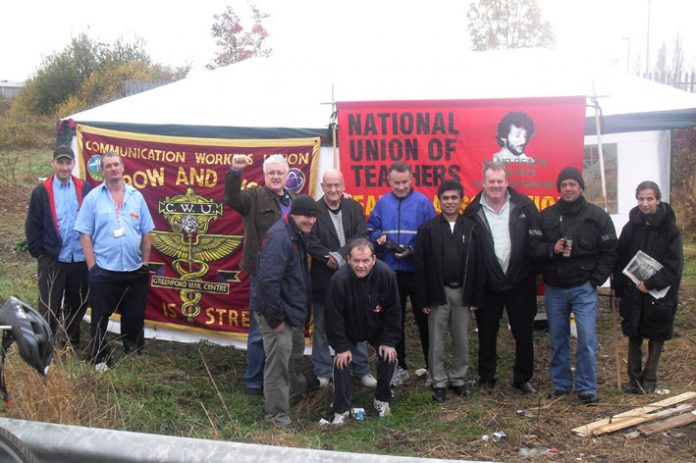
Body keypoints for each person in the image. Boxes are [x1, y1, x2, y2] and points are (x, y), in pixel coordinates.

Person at [529, 166, 617, 404]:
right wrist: (551, 248)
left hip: (583, 288)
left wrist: (595, 280)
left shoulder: (597, 216)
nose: (568, 188)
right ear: (559, 189)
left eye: (572, 184)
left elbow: (610, 252)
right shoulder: (545, 216)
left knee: (587, 339)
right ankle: (561, 385)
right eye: (564, 184)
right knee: (558, 338)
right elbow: (532, 248)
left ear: (580, 187)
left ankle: (587, 388)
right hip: (554, 288)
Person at [463, 162, 541, 394]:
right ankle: (487, 377)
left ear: (506, 182)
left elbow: (535, 242)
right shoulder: (472, 211)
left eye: (499, 181)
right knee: (486, 333)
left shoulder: (525, 206)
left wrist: (534, 273)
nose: (495, 185)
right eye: (491, 182)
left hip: (520, 282)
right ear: (483, 183)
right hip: (488, 284)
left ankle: (522, 378)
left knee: (524, 332)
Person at [75, 152, 154, 371]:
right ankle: (100, 356)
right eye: (107, 165)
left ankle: (133, 352)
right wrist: (93, 268)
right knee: (100, 315)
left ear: (122, 167)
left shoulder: (136, 196)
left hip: (134, 268)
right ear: (102, 170)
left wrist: (145, 264)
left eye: (116, 164)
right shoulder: (93, 198)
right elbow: (84, 234)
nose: (112, 169)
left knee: (135, 315)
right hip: (104, 269)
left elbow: (147, 232)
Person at [224, 153, 293, 396]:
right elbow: (232, 197)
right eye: (271, 172)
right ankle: (253, 381)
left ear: (287, 176)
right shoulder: (253, 197)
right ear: (264, 176)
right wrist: (235, 172)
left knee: (284, 328)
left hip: (288, 276)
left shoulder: (293, 201)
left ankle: (277, 378)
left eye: (280, 172)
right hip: (262, 277)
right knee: (258, 330)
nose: (275, 176)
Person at [413, 179, 484, 402]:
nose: (450, 202)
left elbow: (479, 264)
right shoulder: (428, 229)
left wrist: (475, 295)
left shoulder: (472, 228)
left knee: (462, 338)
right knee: (436, 339)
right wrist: (423, 297)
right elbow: (420, 266)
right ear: (439, 201)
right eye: (446, 198)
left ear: (461, 200)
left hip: (463, 293)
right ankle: (438, 381)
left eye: (454, 198)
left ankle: (458, 379)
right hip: (438, 293)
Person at [367, 161, 436, 385]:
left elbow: (432, 236)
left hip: (416, 271)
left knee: (424, 319)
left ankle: (432, 368)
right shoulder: (382, 203)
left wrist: (412, 250)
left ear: (411, 179)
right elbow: (372, 230)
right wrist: (379, 239)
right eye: (396, 183)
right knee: (393, 321)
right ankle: (399, 367)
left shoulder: (423, 203)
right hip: (389, 271)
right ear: (389, 181)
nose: (400, 186)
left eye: (404, 182)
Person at [306, 169, 376, 389]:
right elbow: (309, 240)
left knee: (358, 324)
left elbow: (361, 233)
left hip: (355, 279)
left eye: (337, 185)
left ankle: (361, 369)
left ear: (343, 185)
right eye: (329, 185)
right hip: (324, 280)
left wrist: (340, 255)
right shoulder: (313, 210)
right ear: (323, 187)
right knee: (322, 327)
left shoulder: (354, 207)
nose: (334, 190)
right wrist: (329, 257)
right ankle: (323, 372)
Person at [612, 181, 683, 394]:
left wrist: (650, 283)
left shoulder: (670, 228)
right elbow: (620, 257)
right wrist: (619, 288)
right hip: (633, 290)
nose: (645, 203)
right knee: (634, 333)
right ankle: (633, 379)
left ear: (658, 200)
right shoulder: (630, 226)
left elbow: (675, 264)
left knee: (657, 335)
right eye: (641, 199)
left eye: (649, 199)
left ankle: (650, 380)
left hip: (660, 292)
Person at [254, 195, 318, 429]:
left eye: (313, 216)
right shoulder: (280, 237)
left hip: (291, 312)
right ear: (293, 214)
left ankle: (294, 395)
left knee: (294, 357)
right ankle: (277, 417)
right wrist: (276, 319)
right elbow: (268, 281)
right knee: (278, 366)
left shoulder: (296, 233)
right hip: (278, 315)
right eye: (306, 216)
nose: (310, 220)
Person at [325, 238, 401, 424]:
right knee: (341, 361)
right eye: (356, 261)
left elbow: (394, 311)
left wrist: (389, 341)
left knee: (390, 356)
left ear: (374, 259)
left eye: (365, 260)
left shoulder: (386, 275)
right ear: (349, 260)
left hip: (376, 328)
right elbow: (333, 319)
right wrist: (341, 347)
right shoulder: (338, 280)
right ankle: (341, 408)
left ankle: (382, 399)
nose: (361, 265)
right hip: (349, 328)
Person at [25, 145, 91, 347]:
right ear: (53, 163)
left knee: (77, 302)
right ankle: (46, 344)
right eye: (60, 162)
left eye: (68, 162)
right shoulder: (41, 191)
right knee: (49, 305)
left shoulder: (84, 188)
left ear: (73, 164)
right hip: (53, 258)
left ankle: (70, 343)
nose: (64, 167)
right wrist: (41, 255)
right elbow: (33, 224)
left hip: (79, 258)